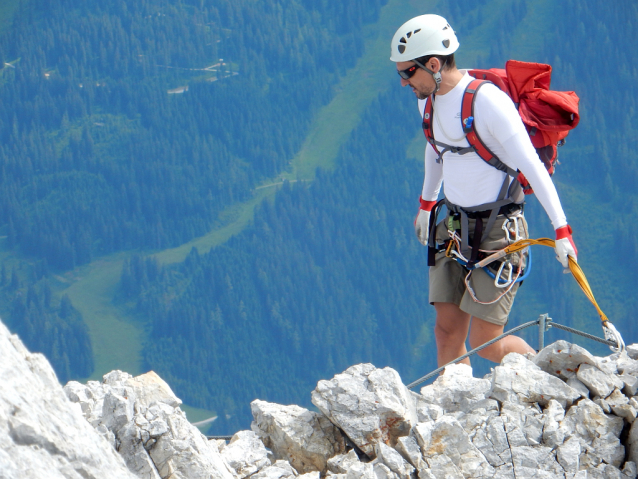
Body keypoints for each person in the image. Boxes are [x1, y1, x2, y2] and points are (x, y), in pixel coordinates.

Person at [389, 14, 578, 367]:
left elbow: (532, 167)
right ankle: (454, 413)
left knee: (486, 345)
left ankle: (546, 376)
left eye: (407, 73)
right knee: (446, 333)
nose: (403, 82)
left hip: (499, 234)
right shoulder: (426, 101)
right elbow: (435, 148)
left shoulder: (487, 103)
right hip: (454, 226)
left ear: (433, 64)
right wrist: (427, 206)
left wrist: (561, 231)